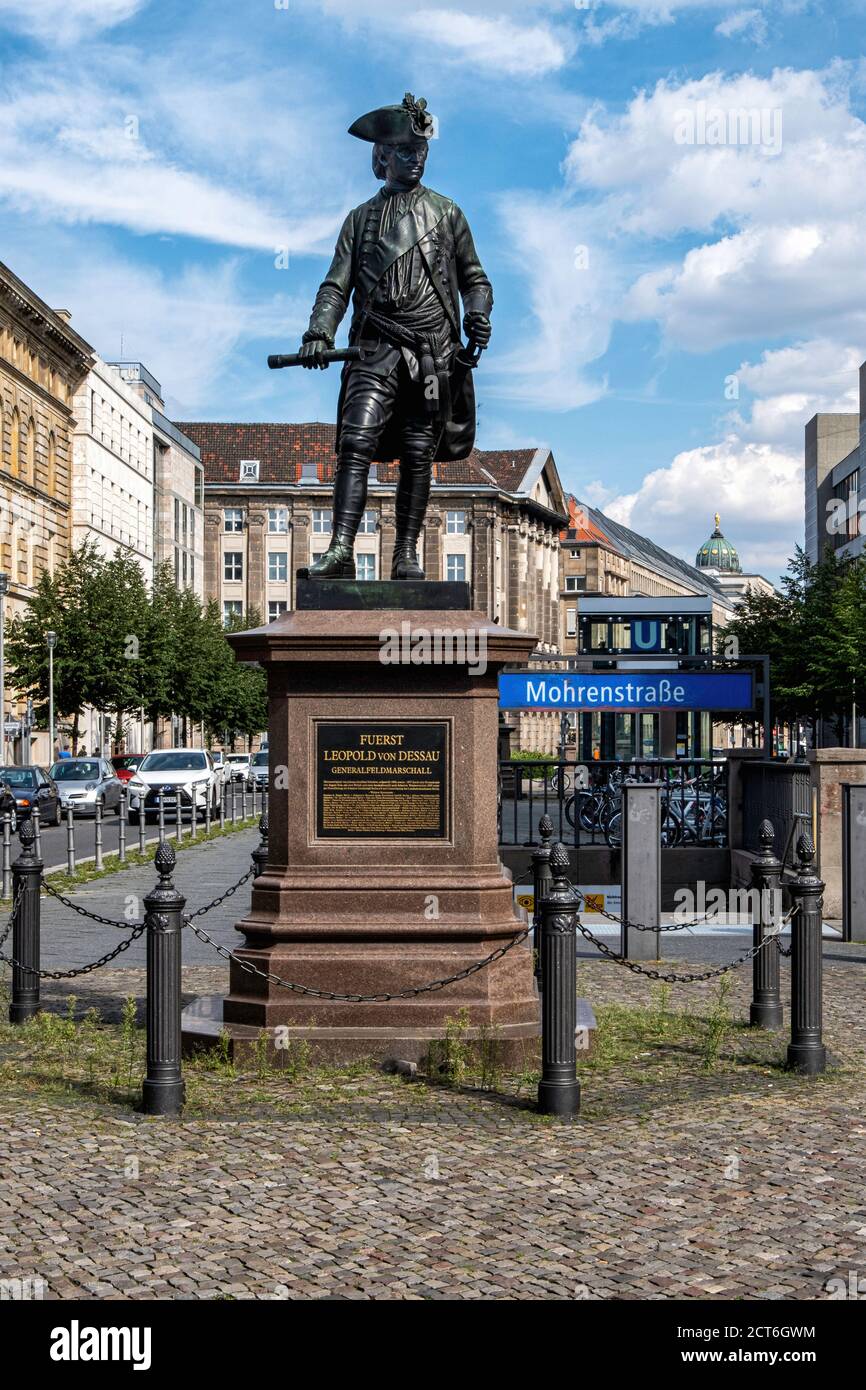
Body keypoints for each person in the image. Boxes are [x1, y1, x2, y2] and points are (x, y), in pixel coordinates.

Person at [299, 92, 493, 580]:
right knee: (355, 440)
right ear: (382, 156)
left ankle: (405, 553)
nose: (416, 160)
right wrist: (320, 329)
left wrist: (478, 314)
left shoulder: (447, 213)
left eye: (421, 151)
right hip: (374, 347)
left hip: (432, 353)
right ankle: (341, 548)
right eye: (405, 151)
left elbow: (476, 279)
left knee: (416, 451)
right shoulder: (360, 218)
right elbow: (335, 283)